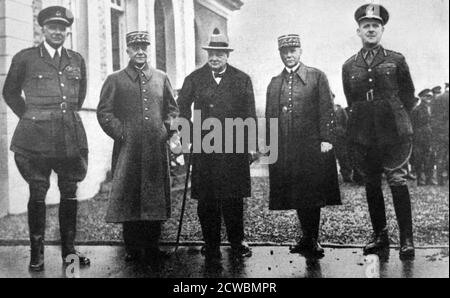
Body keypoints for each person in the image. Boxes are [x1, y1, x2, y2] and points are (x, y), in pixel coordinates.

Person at [2, 6, 90, 271]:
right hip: (36, 140)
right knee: (38, 193)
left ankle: (69, 251)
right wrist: (30, 116)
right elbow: (10, 93)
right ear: (42, 29)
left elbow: (80, 96)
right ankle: (37, 253)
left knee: (69, 193)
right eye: (52, 27)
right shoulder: (25, 58)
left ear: (67, 31)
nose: (57, 32)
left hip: (68, 138)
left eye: (62, 28)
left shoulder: (76, 60)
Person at [97, 31, 178, 266]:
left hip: (155, 148)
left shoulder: (161, 78)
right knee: (129, 194)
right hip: (128, 149)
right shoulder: (115, 79)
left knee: (154, 196)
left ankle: (153, 247)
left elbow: (172, 109)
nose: (140, 51)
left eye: (144, 46)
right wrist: (120, 132)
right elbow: (104, 112)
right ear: (128, 51)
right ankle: (131, 247)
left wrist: (166, 129)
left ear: (148, 49)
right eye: (135, 47)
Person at [342, 4, 416, 260]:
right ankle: (380, 235)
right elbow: (351, 100)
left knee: (397, 179)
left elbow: (409, 96)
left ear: (382, 29)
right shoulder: (349, 66)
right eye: (366, 26)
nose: (370, 29)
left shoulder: (396, 60)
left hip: (393, 131)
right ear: (358, 31)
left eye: (375, 25)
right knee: (372, 182)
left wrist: (396, 117)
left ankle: (407, 239)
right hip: (365, 132)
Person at [177, 28, 256, 263]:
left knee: (233, 197)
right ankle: (210, 243)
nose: (214, 58)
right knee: (207, 199)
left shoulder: (242, 79)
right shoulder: (194, 78)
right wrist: (187, 141)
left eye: (219, 54)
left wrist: (250, 145)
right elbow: (181, 111)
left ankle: (237, 240)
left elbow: (249, 114)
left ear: (227, 55)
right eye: (211, 53)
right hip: (205, 148)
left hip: (233, 146)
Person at [266, 34, 341, 258]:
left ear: (300, 51)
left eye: (293, 50)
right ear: (280, 54)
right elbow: (271, 116)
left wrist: (327, 138)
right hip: (287, 148)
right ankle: (306, 237)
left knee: (312, 193)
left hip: (311, 147)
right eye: (284, 52)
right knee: (297, 193)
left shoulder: (316, 77)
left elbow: (327, 109)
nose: (289, 55)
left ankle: (313, 238)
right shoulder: (275, 82)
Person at [411, 89, 435, 186]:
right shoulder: (416, 110)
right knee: (419, 158)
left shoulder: (432, 108)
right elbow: (413, 124)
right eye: (426, 96)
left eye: (430, 96)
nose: (429, 98)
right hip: (419, 137)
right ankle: (420, 179)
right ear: (421, 97)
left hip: (430, 136)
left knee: (430, 157)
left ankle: (429, 178)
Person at [431, 85, 449, 186]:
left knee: (441, 156)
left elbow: (433, 117)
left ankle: (440, 179)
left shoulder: (438, 99)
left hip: (441, 132)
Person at [334, 102, 353, 183]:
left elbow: (346, 122)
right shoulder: (325, 109)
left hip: (340, 137)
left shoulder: (340, 109)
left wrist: (344, 132)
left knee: (343, 156)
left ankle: (346, 175)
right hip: (328, 137)